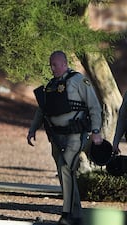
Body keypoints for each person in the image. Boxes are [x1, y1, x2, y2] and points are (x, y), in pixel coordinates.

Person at [27, 51, 103, 225]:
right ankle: (76, 215)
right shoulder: (51, 85)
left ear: (64, 63)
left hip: (75, 135)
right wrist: (33, 129)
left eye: (55, 64)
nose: (52, 68)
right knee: (64, 174)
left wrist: (97, 131)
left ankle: (67, 215)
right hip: (56, 137)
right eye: (50, 65)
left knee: (65, 168)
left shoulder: (78, 81)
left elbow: (94, 106)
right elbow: (42, 109)